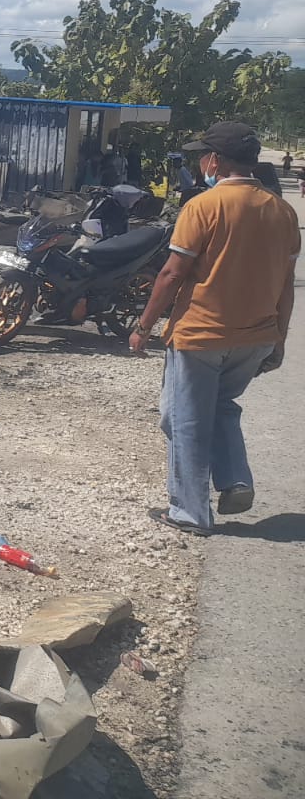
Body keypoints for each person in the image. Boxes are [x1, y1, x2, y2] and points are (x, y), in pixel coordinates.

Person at [129, 122, 296, 535]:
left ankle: (189, 512)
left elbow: (172, 272)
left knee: (183, 418)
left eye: (202, 155)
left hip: (202, 333)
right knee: (217, 405)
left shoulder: (204, 206)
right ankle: (235, 477)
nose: (200, 162)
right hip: (256, 335)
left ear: (215, 160)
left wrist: (144, 325)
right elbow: (286, 284)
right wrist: (280, 338)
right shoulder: (282, 210)